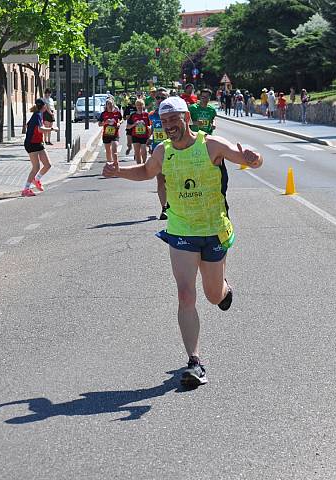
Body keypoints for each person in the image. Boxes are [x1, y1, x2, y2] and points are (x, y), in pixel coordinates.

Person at [102, 97, 264, 387]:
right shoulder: (162, 151)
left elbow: (248, 159)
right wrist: (120, 172)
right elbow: (147, 172)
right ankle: (195, 362)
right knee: (186, 295)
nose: (169, 127)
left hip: (214, 229)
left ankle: (225, 290)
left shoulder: (210, 145)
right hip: (180, 230)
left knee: (213, 295)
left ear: (186, 118)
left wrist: (254, 158)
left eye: (174, 120)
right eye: (164, 122)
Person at [21, 98, 59, 197]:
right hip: (31, 143)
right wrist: (52, 129)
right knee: (36, 167)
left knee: (48, 165)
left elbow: (30, 126)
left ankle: (36, 179)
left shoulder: (38, 114)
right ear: (44, 106)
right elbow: (40, 129)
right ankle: (26, 189)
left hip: (38, 143)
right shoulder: (37, 115)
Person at [148, 87, 170, 220]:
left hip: (174, 150)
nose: (160, 100)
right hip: (158, 151)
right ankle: (164, 208)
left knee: (172, 180)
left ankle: (174, 205)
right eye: (158, 97)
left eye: (163, 97)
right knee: (161, 180)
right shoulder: (152, 114)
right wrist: (149, 138)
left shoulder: (174, 114)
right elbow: (152, 129)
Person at [99, 97, 122, 165]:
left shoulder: (117, 113)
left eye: (111, 104)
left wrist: (119, 123)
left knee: (114, 150)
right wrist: (105, 123)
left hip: (115, 134)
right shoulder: (103, 114)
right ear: (106, 105)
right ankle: (109, 164)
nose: (110, 105)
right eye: (108, 104)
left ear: (113, 104)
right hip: (106, 135)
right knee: (108, 151)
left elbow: (121, 119)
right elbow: (99, 124)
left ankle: (115, 164)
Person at [127, 98, 150, 164]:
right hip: (135, 136)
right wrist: (134, 124)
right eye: (138, 105)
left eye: (141, 105)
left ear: (143, 105)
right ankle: (139, 166)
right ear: (136, 106)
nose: (139, 106)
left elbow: (150, 126)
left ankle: (144, 164)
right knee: (137, 152)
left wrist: (147, 127)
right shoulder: (133, 115)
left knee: (144, 151)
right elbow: (128, 127)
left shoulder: (146, 115)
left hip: (144, 136)